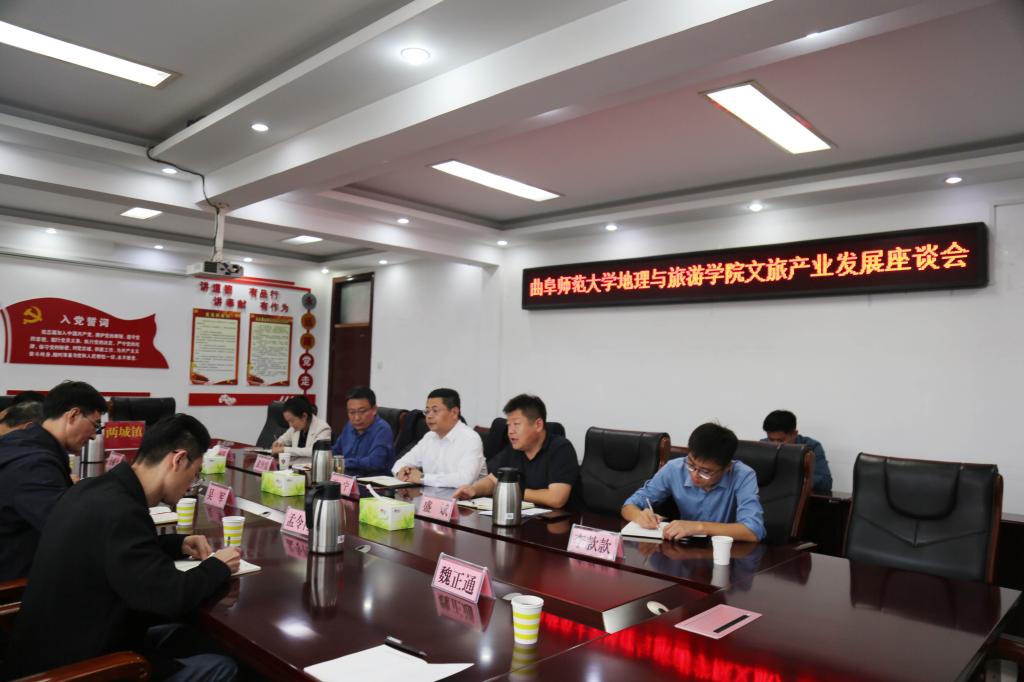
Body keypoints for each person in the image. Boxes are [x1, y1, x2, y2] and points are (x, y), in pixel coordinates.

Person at [6, 414, 241, 681]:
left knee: (186, 635)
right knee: (222, 667)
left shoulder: (96, 489)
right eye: (195, 473)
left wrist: (179, 544)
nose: (192, 483)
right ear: (178, 460)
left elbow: (117, 549)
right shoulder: (123, 511)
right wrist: (218, 566)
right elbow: (171, 597)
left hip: (48, 647)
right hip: (78, 667)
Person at [0, 380, 106, 581]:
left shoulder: (20, 442)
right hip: (15, 582)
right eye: (95, 425)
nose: (94, 436)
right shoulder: (34, 466)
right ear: (73, 415)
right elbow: (68, 530)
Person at [622, 422, 766, 542]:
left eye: (705, 472)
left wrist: (699, 527)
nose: (694, 475)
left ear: (727, 467)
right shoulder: (674, 468)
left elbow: (753, 531)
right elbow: (629, 506)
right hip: (682, 549)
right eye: (691, 464)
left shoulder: (743, 475)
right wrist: (639, 516)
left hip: (724, 552)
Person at [453, 394, 579, 509]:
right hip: (522, 516)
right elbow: (492, 481)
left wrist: (512, 491)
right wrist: (473, 489)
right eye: (509, 425)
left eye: (516, 424)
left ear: (538, 425)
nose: (510, 431)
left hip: (556, 522)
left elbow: (556, 499)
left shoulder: (561, 449)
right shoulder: (515, 449)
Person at [392, 388, 484, 487]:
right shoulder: (429, 437)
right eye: (427, 411)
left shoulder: (470, 439)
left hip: (464, 496)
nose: (429, 416)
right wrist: (402, 472)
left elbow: (465, 480)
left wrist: (422, 478)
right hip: (431, 495)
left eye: (435, 411)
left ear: (454, 412)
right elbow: (399, 464)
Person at [761, 409, 833, 493]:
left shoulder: (811, 447)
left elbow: (825, 482)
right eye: (771, 439)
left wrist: (791, 482)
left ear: (795, 434)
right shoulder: (762, 446)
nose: (775, 445)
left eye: (781, 440)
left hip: (798, 497)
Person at [330, 387, 394, 476]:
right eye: (352, 412)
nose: (357, 418)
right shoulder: (349, 426)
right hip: (347, 478)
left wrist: (343, 462)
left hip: (372, 481)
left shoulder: (383, 429)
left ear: (374, 410)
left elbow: (375, 462)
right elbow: (336, 451)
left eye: (362, 411)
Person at [270, 396, 331, 465]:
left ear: (304, 416)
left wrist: (284, 449)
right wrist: (277, 444)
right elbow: (282, 440)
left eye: (292, 421)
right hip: (293, 467)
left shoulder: (323, 428)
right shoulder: (294, 428)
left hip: (312, 468)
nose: (290, 425)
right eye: (288, 421)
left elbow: (314, 450)